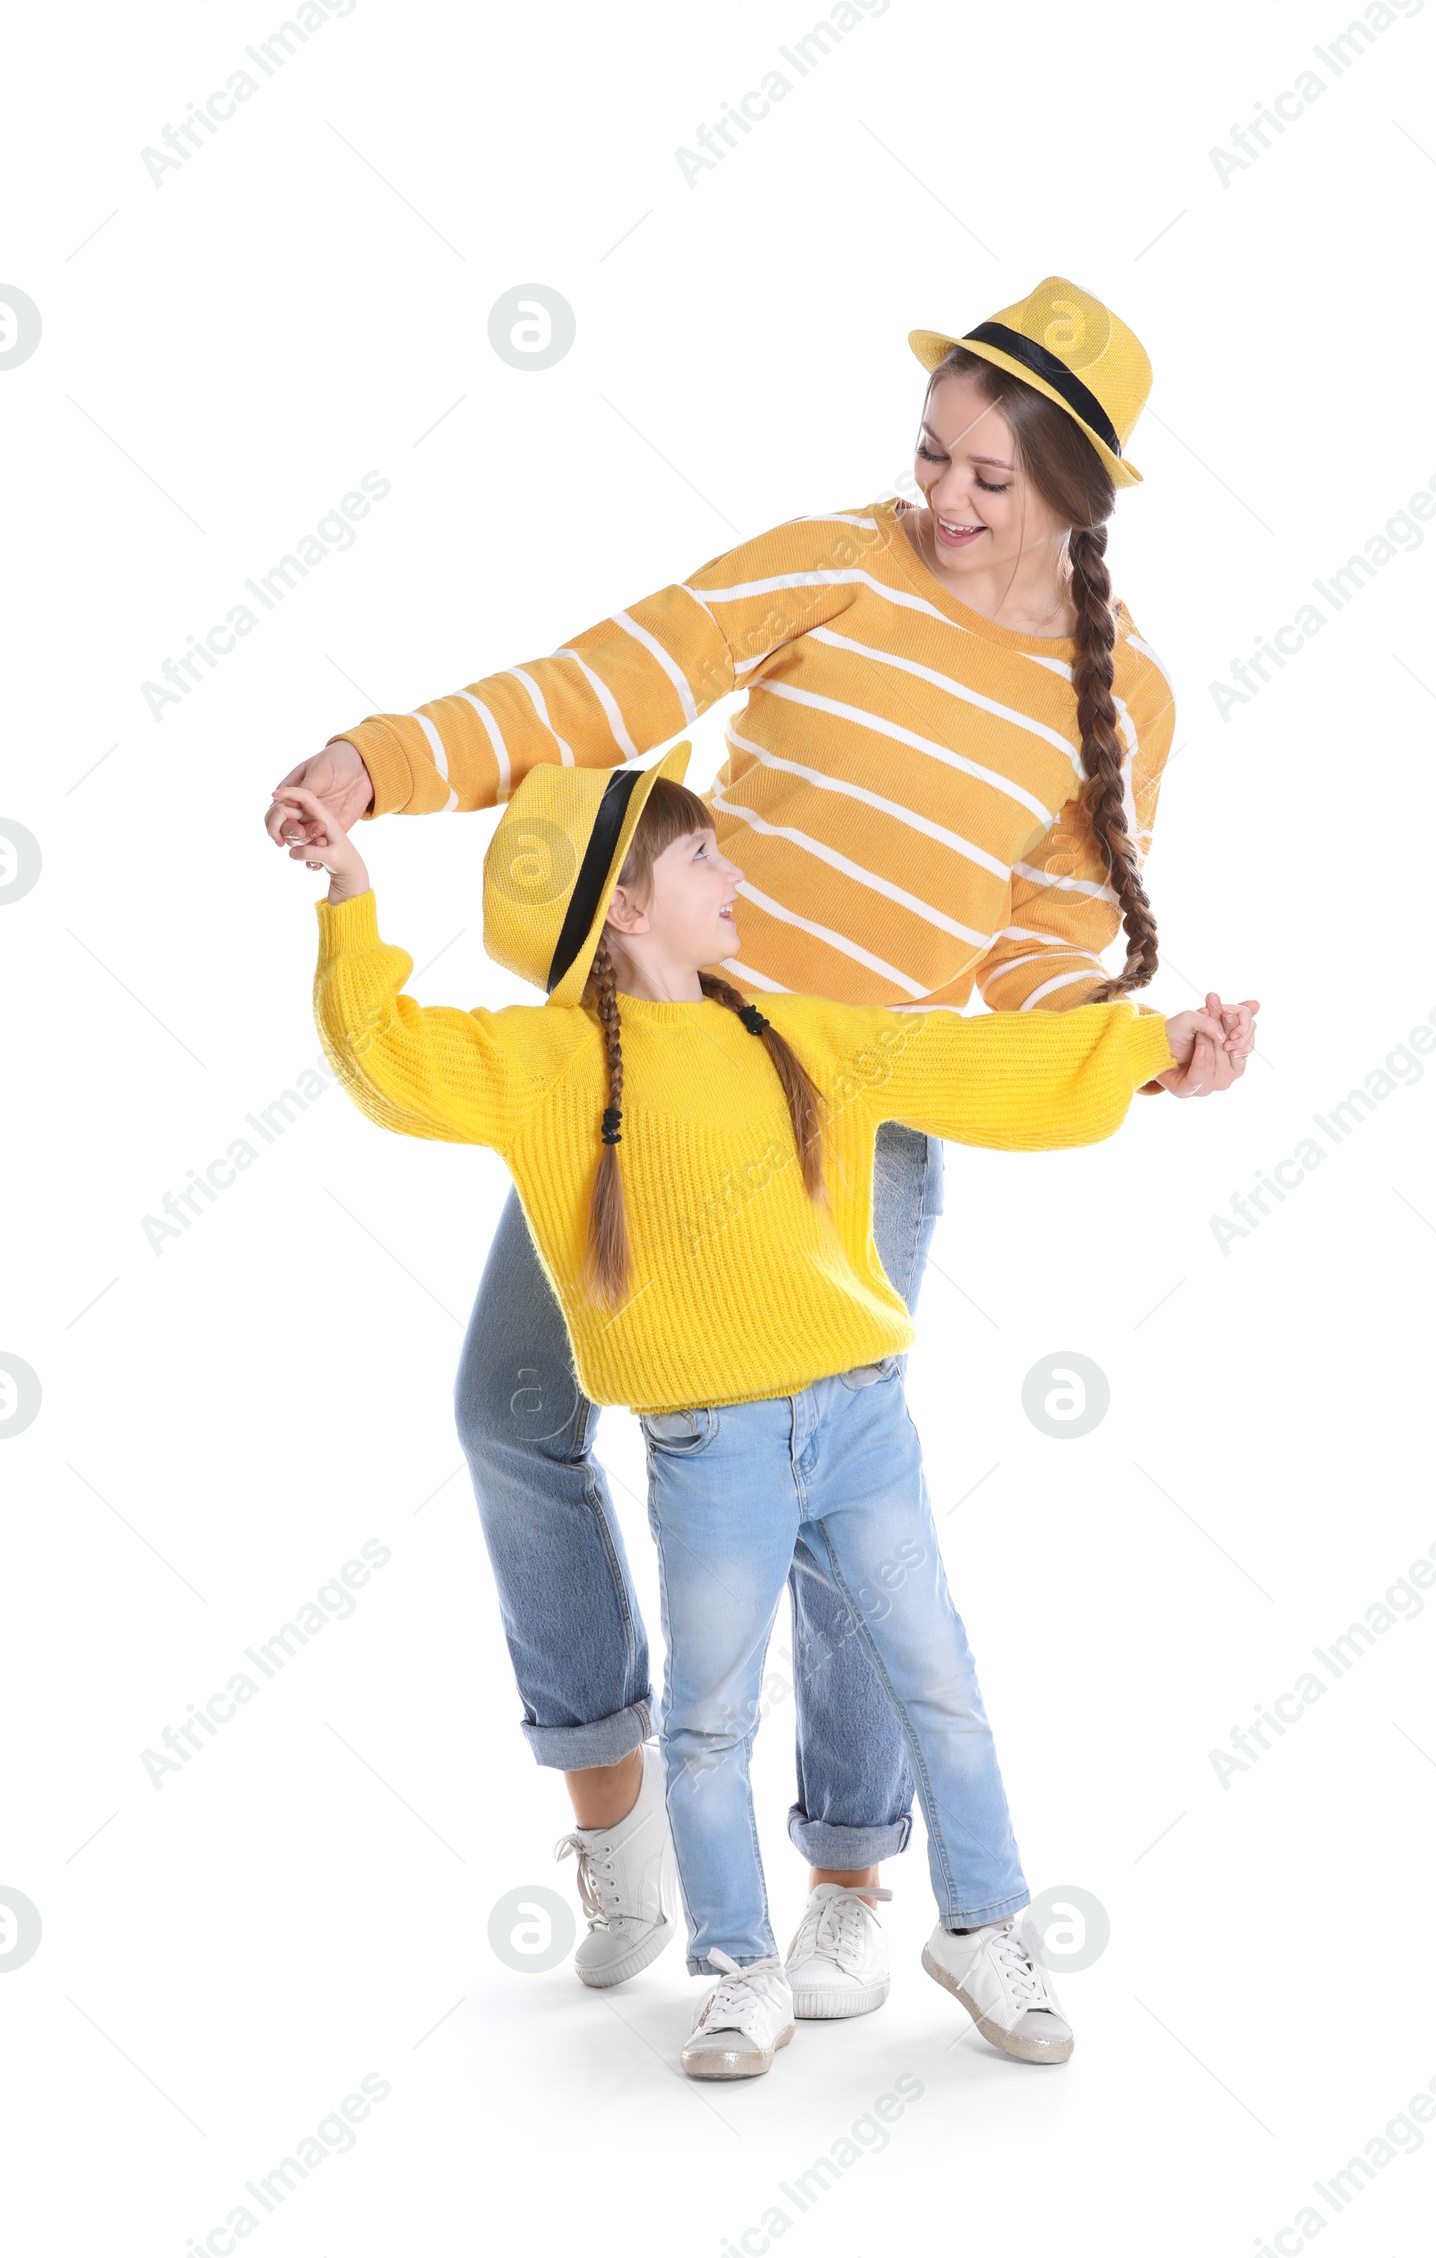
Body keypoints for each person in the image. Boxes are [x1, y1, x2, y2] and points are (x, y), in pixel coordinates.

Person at [264, 274, 1259, 2012]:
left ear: (1074, 499)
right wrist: (379, 762)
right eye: (932, 454)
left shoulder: (1125, 697)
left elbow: (1033, 948)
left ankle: (858, 1882)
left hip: (853, 1114)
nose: (943, 500)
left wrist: (1136, 1049)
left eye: (989, 481)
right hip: (646, 1074)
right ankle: (625, 1820)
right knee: (511, 1408)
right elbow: (604, 689)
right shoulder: (833, 562)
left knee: (833, 1515)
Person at [278, 744, 1254, 2076]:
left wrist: (1153, 1047)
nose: (734, 872)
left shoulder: (797, 1030)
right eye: (701, 858)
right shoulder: (550, 1067)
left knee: (942, 1687)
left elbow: (985, 1071)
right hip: (712, 1450)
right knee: (710, 1723)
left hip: (860, 1426)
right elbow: (387, 1060)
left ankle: (983, 1922)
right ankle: (738, 1968)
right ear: (623, 906)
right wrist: (346, 892)